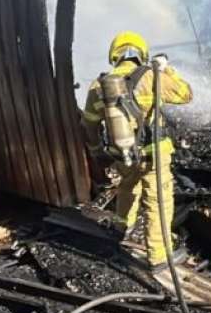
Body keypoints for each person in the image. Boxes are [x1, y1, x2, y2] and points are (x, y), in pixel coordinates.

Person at [81, 31, 192, 272]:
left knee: (128, 186)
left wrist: (97, 150)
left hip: (123, 153)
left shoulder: (98, 85)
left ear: (115, 55)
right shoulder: (151, 76)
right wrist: (166, 70)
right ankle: (159, 257)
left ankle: (120, 228)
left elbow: (89, 124)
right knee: (157, 201)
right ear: (141, 54)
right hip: (154, 154)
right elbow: (186, 94)